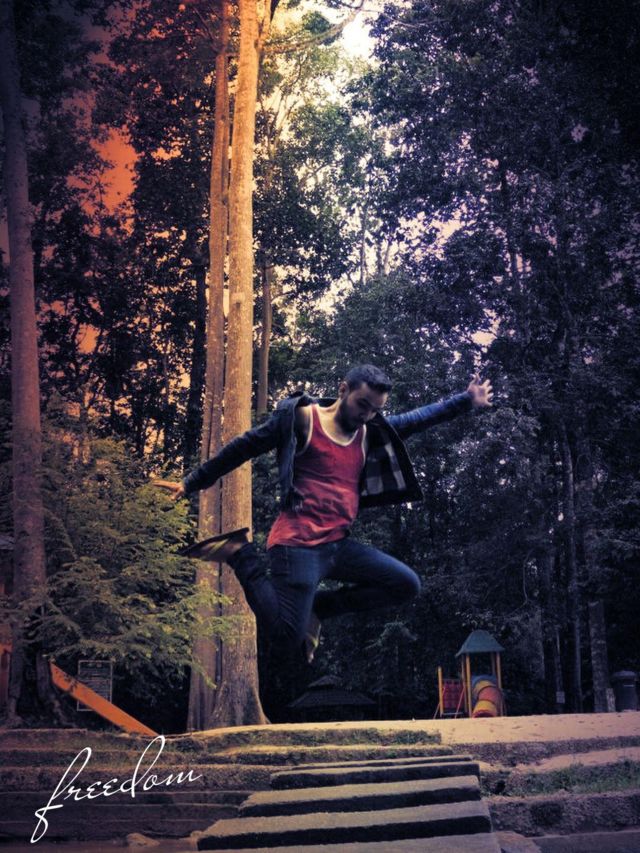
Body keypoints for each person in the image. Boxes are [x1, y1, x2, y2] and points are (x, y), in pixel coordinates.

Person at [154, 365, 493, 662]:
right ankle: (239, 552)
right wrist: (192, 482)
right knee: (286, 638)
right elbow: (244, 446)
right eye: (362, 404)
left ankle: (321, 607)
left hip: (337, 546)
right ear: (343, 389)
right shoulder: (301, 420)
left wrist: (466, 400)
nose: (367, 415)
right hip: (297, 545)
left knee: (406, 584)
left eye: (376, 410)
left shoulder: (369, 432)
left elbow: (418, 418)